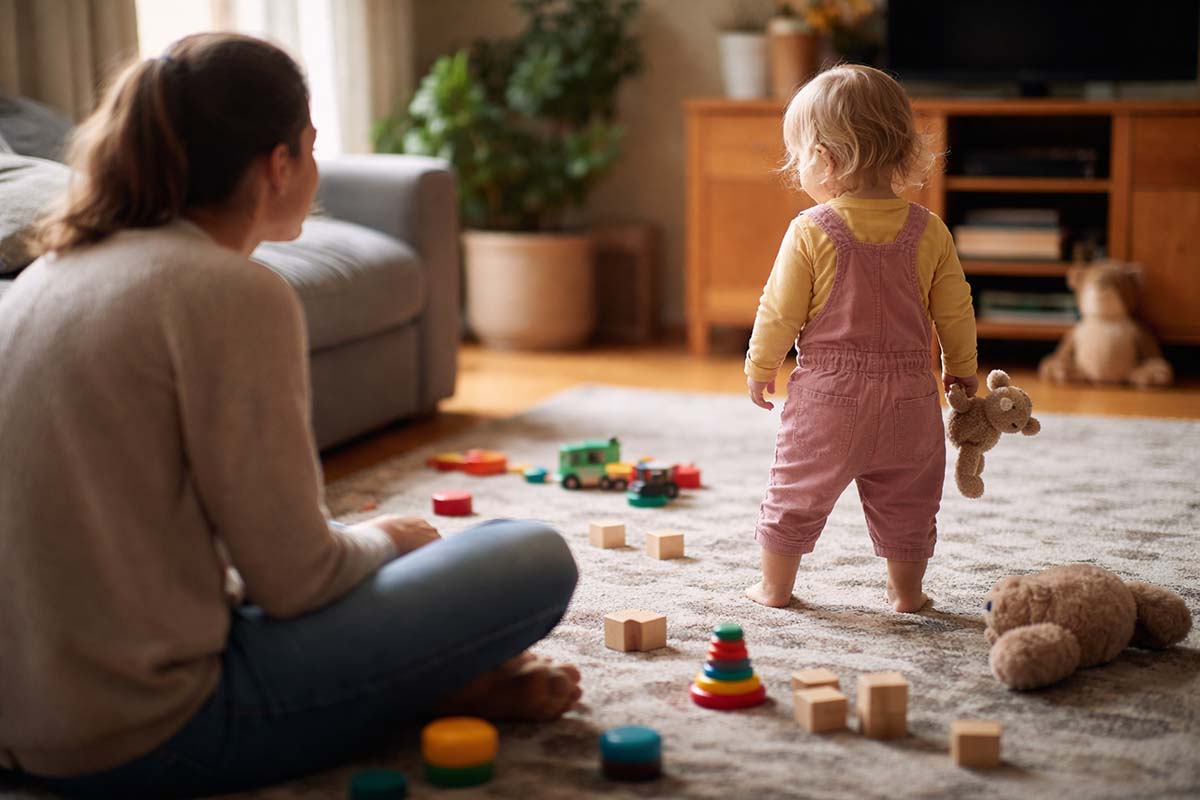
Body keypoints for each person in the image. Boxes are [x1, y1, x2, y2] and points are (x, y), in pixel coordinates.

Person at [0, 33, 580, 798]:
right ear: (280, 164)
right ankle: (419, 691)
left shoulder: (49, 273)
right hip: (155, 731)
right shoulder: (232, 292)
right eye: (310, 149)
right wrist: (391, 535)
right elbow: (298, 582)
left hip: (26, 727)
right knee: (530, 555)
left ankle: (422, 686)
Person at [743, 65, 979, 612]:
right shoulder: (931, 230)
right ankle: (907, 593)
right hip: (912, 398)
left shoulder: (810, 229)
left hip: (829, 397)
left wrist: (761, 366)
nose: (799, 167)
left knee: (796, 492)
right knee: (910, 499)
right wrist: (963, 369)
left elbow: (778, 310)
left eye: (799, 155)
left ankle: (774, 588)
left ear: (824, 158)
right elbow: (956, 310)